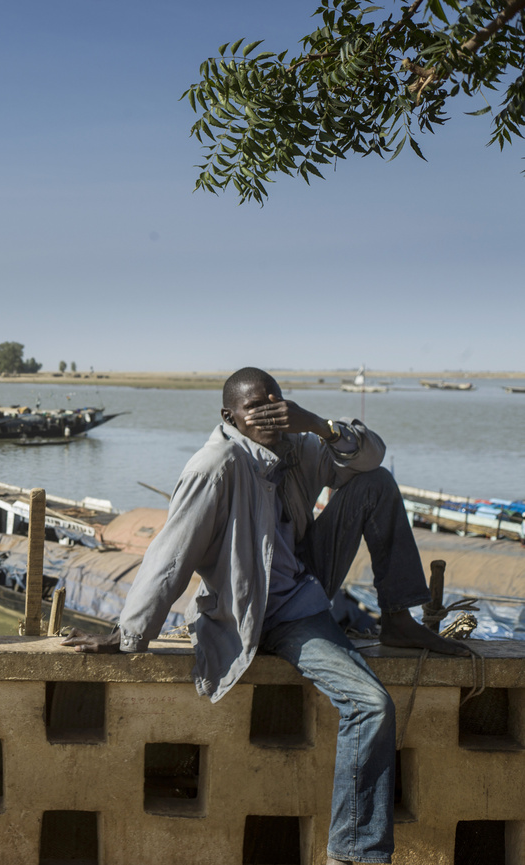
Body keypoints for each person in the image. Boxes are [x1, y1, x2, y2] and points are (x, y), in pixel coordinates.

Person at [61, 367, 468, 865]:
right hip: (258, 614)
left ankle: (398, 618)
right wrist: (129, 635)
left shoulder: (298, 445)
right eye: (256, 407)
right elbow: (169, 556)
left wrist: (319, 425)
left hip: (306, 587)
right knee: (371, 705)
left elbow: (372, 455)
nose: (270, 414)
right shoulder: (215, 466)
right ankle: (355, 852)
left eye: (276, 402)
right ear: (229, 415)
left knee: (375, 483)